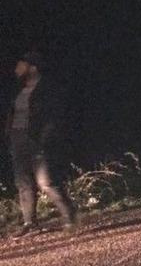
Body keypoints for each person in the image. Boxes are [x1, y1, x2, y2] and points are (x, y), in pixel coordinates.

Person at [4, 52, 77, 238]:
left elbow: (52, 117)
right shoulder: (18, 90)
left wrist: (44, 139)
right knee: (23, 183)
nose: (17, 69)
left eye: (22, 65)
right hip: (18, 140)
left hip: (36, 140)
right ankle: (30, 223)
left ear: (33, 67)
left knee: (46, 181)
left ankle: (69, 215)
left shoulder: (45, 89)